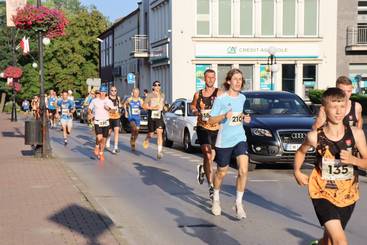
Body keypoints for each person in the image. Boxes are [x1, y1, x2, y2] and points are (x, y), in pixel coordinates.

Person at [294, 87, 367, 245]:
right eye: (334, 106)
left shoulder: (356, 134)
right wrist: (297, 171)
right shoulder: (315, 137)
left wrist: (354, 160)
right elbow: (300, 152)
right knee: (340, 241)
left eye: (342, 106)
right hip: (322, 192)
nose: (339, 111)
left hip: (348, 193)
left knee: (329, 240)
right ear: (324, 108)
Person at [208, 68, 251, 219]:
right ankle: (216, 199)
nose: (238, 82)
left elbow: (242, 115)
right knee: (221, 172)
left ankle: (238, 203)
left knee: (243, 170)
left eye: (240, 79)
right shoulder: (221, 99)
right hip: (224, 141)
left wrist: (246, 119)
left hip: (240, 138)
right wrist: (224, 115)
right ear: (228, 81)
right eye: (235, 79)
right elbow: (211, 120)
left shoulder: (243, 98)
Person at [190, 69, 220, 200]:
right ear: (204, 79)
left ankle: (203, 168)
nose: (211, 80)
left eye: (213, 78)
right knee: (207, 155)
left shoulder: (219, 93)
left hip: (217, 128)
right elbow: (192, 106)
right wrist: (196, 111)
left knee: (211, 158)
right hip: (203, 127)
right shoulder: (198, 94)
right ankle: (211, 186)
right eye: (208, 77)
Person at [88, 86, 114, 161]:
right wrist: (90, 114)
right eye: (101, 92)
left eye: (104, 92)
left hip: (106, 122)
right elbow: (89, 109)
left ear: (106, 93)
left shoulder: (108, 101)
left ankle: (101, 153)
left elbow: (113, 111)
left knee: (104, 140)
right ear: (100, 92)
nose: (103, 93)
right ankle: (96, 147)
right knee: (99, 138)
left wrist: (108, 109)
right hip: (97, 122)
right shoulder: (95, 101)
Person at [143, 81, 165, 159]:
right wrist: (152, 108)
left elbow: (162, 104)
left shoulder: (162, 95)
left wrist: (162, 107)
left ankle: (159, 151)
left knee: (159, 132)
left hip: (159, 115)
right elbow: (144, 106)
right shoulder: (149, 95)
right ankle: (147, 139)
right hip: (151, 115)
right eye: (155, 85)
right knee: (151, 133)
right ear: (153, 87)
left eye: (159, 85)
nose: (157, 86)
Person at [106, 86, 122, 154]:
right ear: (110, 91)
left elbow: (120, 105)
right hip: (109, 117)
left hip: (116, 117)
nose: (113, 92)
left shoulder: (118, 98)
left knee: (116, 131)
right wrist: (110, 109)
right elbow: (105, 106)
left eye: (115, 90)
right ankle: (108, 139)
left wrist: (121, 107)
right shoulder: (107, 98)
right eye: (112, 90)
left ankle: (115, 147)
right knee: (109, 132)